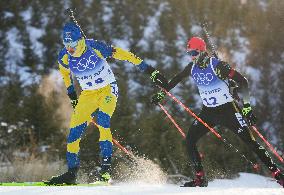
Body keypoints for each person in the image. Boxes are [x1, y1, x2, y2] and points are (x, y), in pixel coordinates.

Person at [152, 37, 284, 187]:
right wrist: (162, 94)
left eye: (194, 52)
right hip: (208, 113)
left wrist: (247, 107)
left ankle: (278, 174)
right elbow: (175, 80)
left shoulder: (217, 66)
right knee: (189, 141)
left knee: (251, 142)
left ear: (202, 51)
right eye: (189, 53)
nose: (192, 56)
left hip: (228, 111)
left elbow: (243, 81)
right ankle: (200, 179)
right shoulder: (192, 67)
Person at [46, 22, 168, 185]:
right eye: (66, 44)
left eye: (73, 44)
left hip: (107, 90)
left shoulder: (96, 47)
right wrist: (73, 96)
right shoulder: (64, 57)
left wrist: (149, 70)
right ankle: (71, 174)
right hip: (88, 95)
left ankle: (105, 172)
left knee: (103, 120)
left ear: (80, 40)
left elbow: (125, 55)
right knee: (73, 134)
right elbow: (66, 75)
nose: (70, 48)